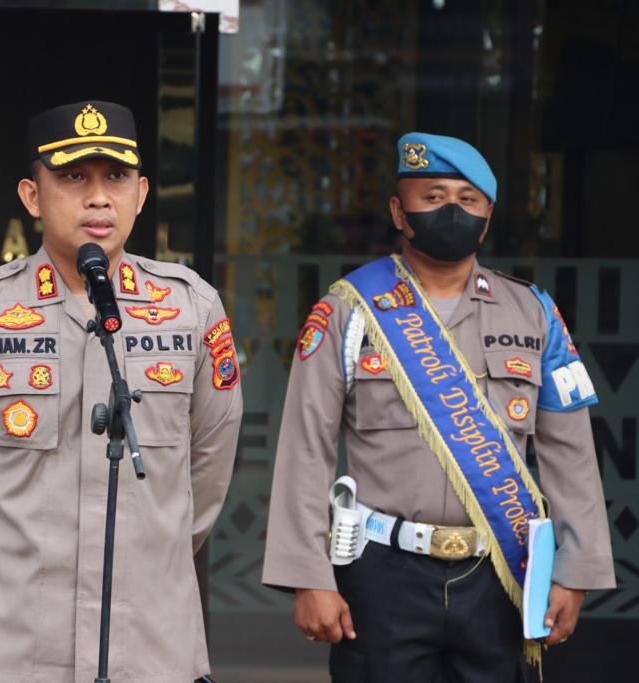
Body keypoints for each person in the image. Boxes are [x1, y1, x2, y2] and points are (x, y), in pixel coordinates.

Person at [262, 132, 615, 682]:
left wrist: (577, 570)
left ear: (487, 217)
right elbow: (304, 451)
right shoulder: (348, 310)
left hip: (502, 572)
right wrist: (310, 577)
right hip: (381, 575)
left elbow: (571, 454)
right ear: (399, 213)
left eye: (467, 199)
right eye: (433, 197)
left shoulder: (532, 313)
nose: (452, 209)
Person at [0, 100, 243, 683]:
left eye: (116, 178)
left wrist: (149, 552)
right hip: (10, 643)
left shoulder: (193, 307)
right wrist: (12, 570)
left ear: (141, 194)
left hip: (149, 640)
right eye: (73, 178)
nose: (99, 198)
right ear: (31, 195)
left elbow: (209, 468)